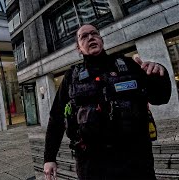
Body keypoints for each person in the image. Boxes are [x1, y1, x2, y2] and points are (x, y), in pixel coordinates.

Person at [43, 24, 171, 180]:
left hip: (135, 158)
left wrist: (158, 73)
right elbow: (56, 117)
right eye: (84, 36)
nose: (90, 37)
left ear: (101, 40)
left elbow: (160, 98)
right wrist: (49, 158)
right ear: (78, 48)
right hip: (91, 163)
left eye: (94, 34)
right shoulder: (71, 77)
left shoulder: (128, 65)